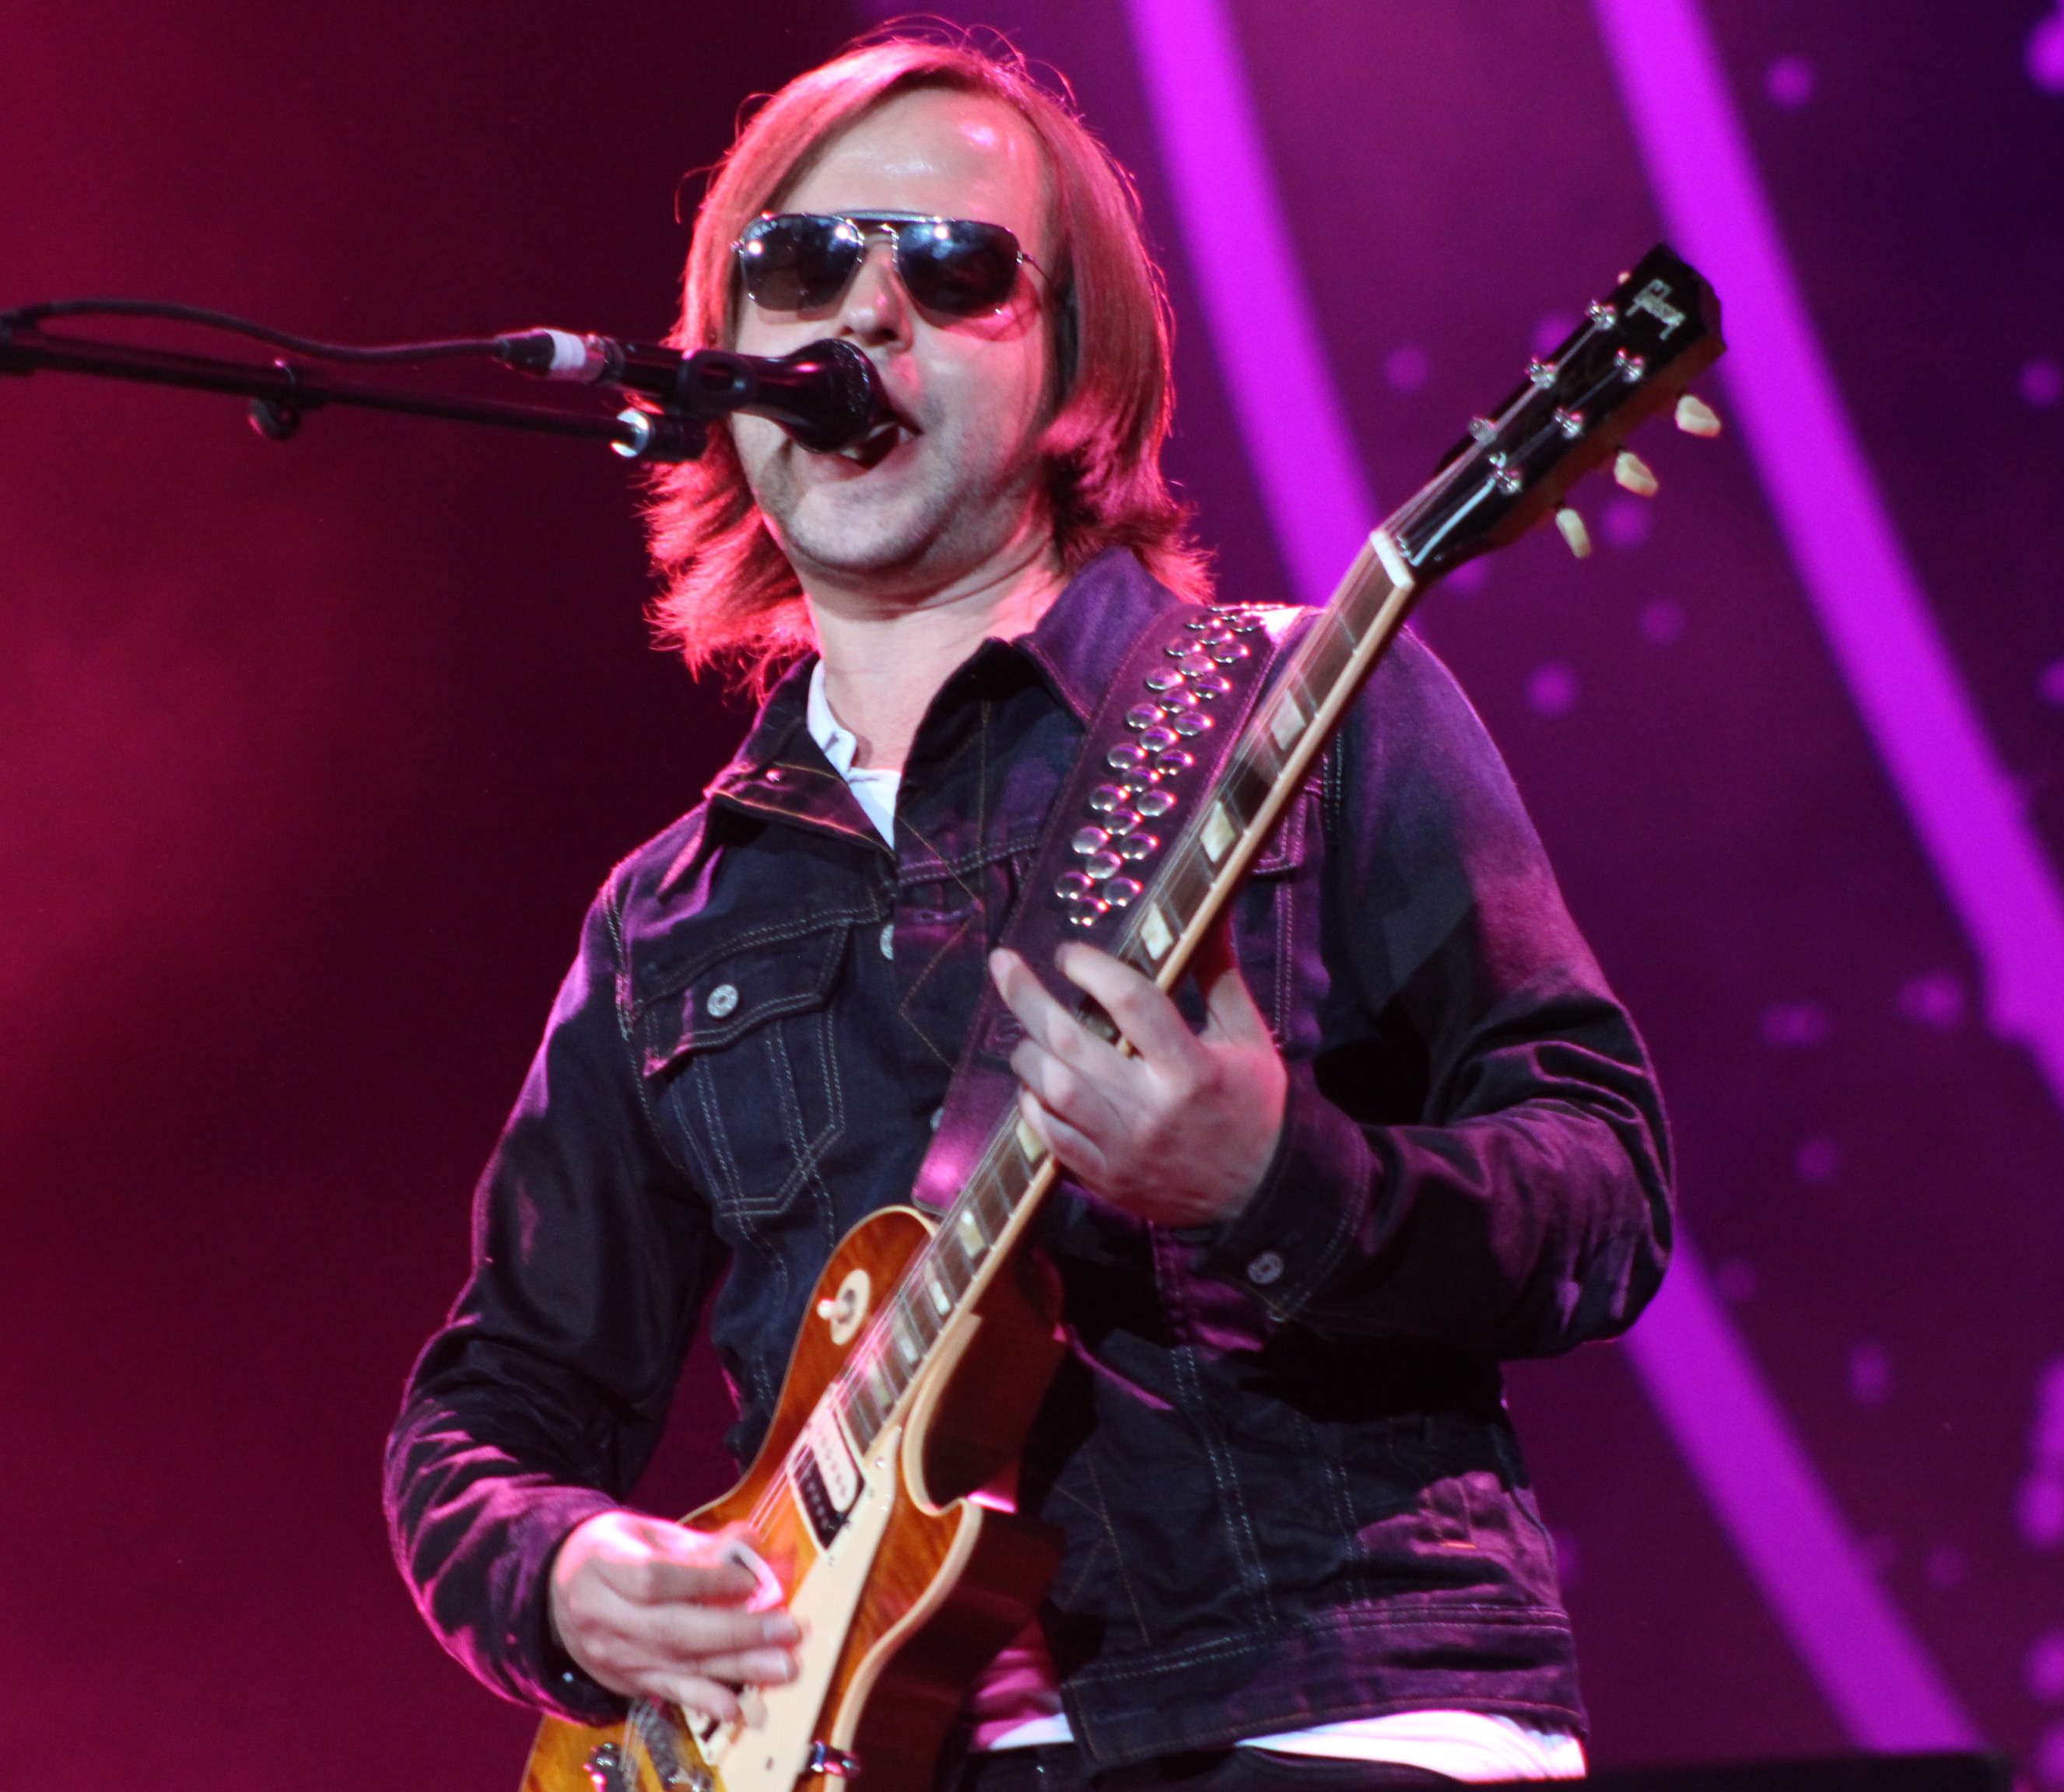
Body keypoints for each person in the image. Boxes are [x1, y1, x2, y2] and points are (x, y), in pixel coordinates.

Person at [387, 29, 1671, 1789]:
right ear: (724, 356)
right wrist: (562, 1573)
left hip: (1322, 1710)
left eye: (954, 268)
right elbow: (489, 1413)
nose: (865, 315)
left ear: (1078, 367)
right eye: (800, 266)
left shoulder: (1299, 708)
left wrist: (1274, 1177)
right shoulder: (669, 915)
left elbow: (1602, 1188)